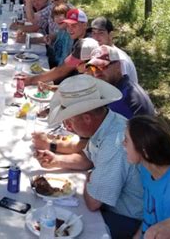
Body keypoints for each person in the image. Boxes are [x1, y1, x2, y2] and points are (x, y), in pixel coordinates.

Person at [33, 74, 143, 238]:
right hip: (111, 206)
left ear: (87, 118)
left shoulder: (115, 142)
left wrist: (90, 177)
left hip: (126, 218)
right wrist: (57, 160)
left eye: (69, 121)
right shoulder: (108, 123)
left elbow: (93, 203)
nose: (67, 127)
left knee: (50, 225)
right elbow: (87, 160)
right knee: (46, 213)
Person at [24, 8, 98, 87]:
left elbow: (62, 71)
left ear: (84, 25)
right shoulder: (78, 37)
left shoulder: (86, 44)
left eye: (74, 25)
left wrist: (30, 80)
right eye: (68, 26)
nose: (69, 29)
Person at [86, 45, 155, 118]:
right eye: (93, 68)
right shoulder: (124, 87)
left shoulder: (122, 100)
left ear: (118, 66)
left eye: (102, 66)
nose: (96, 73)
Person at [88, 16, 139, 83]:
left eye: (101, 33)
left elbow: (123, 88)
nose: (96, 37)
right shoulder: (99, 54)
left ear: (111, 35)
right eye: (94, 33)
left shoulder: (120, 59)